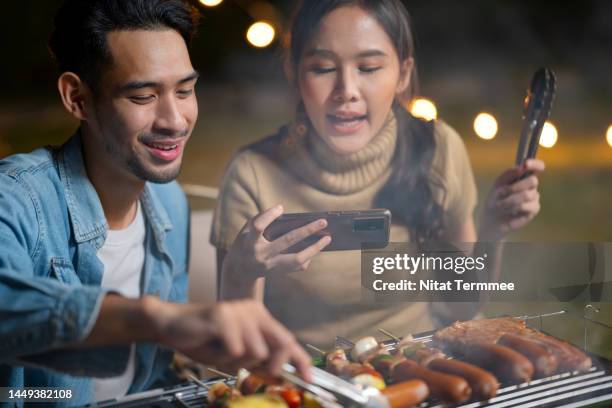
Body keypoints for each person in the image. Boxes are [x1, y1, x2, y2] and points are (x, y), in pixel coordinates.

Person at [0, 0, 310, 405]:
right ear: (77, 97)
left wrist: (240, 274)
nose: (176, 120)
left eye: (184, 90)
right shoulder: (16, 199)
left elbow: (154, 382)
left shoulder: (168, 202)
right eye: (144, 96)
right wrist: (153, 319)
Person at [212, 0, 544, 348]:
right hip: (306, 378)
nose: (347, 91)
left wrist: (493, 227)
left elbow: (461, 304)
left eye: (369, 67)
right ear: (294, 73)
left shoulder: (438, 148)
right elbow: (237, 346)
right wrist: (240, 272)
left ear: (402, 74)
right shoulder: (252, 174)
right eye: (323, 68)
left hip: (419, 362)